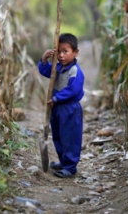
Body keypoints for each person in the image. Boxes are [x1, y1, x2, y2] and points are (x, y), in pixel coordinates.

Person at [38, 33, 85, 178]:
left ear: (75, 52)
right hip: (57, 108)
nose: (61, 55)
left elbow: (73, 90)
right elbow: (46, 72)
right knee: (58, 135)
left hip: (69, 108)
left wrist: (57, 98)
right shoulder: (57, 68)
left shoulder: (75, 71)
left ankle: (70, 167)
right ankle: (63, 162)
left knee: (70, 137)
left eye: (65, 51)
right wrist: (44, 59)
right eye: (58, 51)